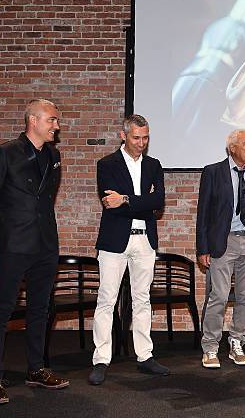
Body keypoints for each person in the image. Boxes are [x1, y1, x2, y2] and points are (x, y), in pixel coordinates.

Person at [0, 99, 69, 404]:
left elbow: (46, 200)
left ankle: (36, 368)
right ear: (33, 120)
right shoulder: (5, 153)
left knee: (40, 310)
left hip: (45, 245)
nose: (56, 126)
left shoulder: (54, 155)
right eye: (52, 120)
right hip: (14, 246)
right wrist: (3, 240)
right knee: (1, 311)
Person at [88, 114, 168, 385]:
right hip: (114, 241)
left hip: (145, 240)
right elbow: (109, 203)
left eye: (145, 137)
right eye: (136, 137)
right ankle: (101, 359)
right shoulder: (107, 164)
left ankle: (145, 356)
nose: (141, 143)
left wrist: (125, 199)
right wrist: (138, 202)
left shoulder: (155, 165)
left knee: (142, 299)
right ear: (123, 135)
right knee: (106, 299)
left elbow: (158, 201)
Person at [197, 129, 245, 369]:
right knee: (218, 296)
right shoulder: (213, 172)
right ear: (233, 148)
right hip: (223, 242)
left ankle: (237, 342)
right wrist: (203, 248)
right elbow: (203, 213)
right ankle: (210, 347)